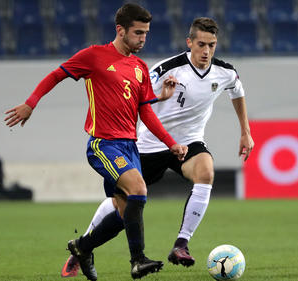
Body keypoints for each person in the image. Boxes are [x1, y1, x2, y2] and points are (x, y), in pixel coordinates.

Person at [4, 3, 188, 280]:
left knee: (125, 213)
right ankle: (137, 260)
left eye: (146, 33)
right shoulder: (94, 56)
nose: (143, 39)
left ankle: (82, 246)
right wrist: (31, 103)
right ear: (120, 30)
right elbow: (57, 74)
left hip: (129, 146)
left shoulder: (139, 67)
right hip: (103, 145)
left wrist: (170, 142)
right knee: (139, 190)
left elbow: (145, 111)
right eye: (137, 33)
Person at [60, 16, 254, 277]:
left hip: (189, 144)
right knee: (121, 203)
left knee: (206, 171)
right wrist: (159, 97)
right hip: (150, 144)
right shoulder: (166, 69)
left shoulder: (225, 72)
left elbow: (237, 91)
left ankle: (181, 245)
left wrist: (245, 132)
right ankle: (83, 246)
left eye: (212, 45)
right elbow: (137, 98)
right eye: (201, 44)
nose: (206, 51)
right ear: (189, 43)